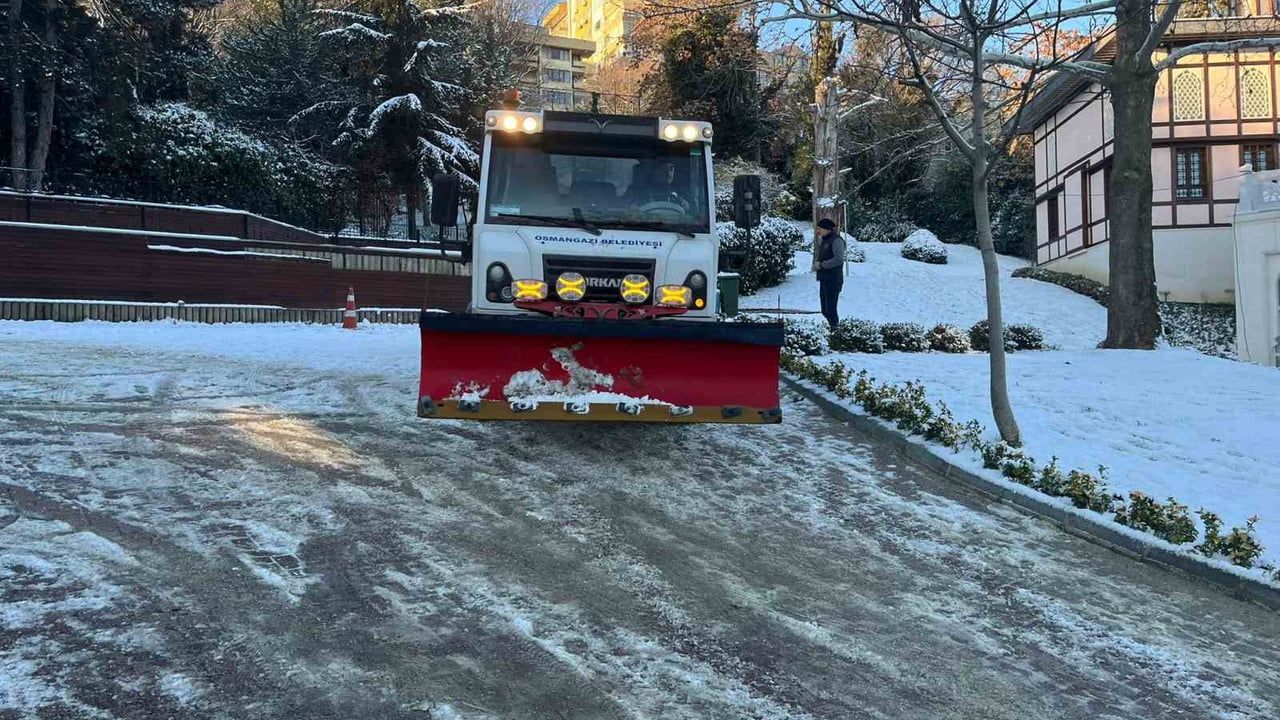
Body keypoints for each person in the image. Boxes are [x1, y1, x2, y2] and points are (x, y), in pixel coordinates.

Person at [812, 217, 845, 328]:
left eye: (820, 228)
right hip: (824, 279)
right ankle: (833, 329)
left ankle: (836, 331)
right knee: (825, 310)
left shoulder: (837, 240)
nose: (818, 231)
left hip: (833, 280)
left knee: (830, 309)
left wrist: (821, 265)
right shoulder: (825, 241)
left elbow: (839, 259)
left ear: (827, 229)